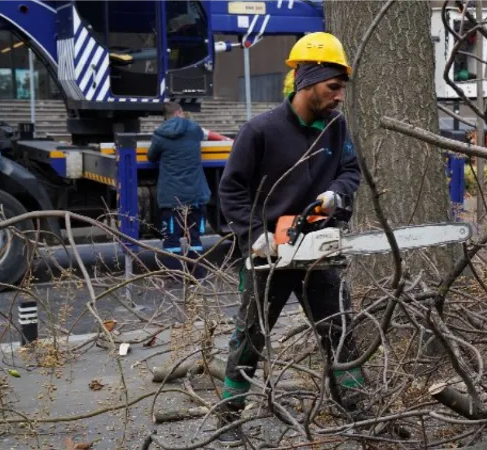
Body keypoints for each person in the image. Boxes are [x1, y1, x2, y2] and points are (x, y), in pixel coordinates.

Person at [216, 32, 365, 445]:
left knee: (339, 328)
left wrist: (337, 193)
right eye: (333, 87)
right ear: (308, 81)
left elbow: (351, 170)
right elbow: (231, 190)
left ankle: (358, 409)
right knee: (249, 336)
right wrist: (255, 235)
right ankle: (228, 419)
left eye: (341, 88)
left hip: (317, 248)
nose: (339, 96)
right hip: (269, 254)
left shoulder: (335, 127)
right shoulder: (260, 130)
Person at [147, 101, 211, 281]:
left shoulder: (160, 134)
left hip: (171, 196)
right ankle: (197, 274)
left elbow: (151, 157)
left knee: (172, 239)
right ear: (180, 112)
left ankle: (175, 276)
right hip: (196, 194)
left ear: (165, 116)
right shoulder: (194, 129)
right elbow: (200, 135)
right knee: (194, 238)